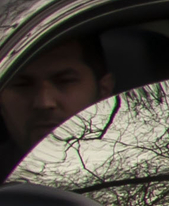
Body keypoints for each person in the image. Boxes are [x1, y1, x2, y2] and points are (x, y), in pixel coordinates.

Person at [1, 31, 114, 164]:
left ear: (103, 91)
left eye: (64, 81)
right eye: (22, 85)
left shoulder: (136, 164)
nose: (44, 103)